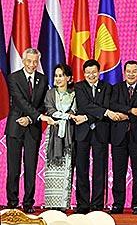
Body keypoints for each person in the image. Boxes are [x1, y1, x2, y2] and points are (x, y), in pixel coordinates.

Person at [74, 59, 126, 213]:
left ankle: (97, 204)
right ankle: (83, 204)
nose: (91, 75)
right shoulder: (78, 87)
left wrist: (91, 116)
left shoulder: (107, 87)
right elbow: (85, 106)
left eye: (94, 72)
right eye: (88, 72)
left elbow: (105, 106)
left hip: (101, 132)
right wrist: (104, 113)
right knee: (82, 169)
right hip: (82, 132)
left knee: (99, 169)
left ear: (99, 72)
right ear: (84, 73)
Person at [5, 48, 48, 213]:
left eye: (35, 61)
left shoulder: (43, 79)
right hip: (15, 128)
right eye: (29, 61)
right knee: (13, 168)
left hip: (32, 128)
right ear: (23, 61)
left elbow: (44, 103)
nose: (32, 65)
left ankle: (28, 203)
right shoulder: (13, 78)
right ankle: (12, 202)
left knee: (31, 168)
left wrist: (31, 119)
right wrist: (37, 116)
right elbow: (20, 101)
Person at [42, 64, 86, 211]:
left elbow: (76, 111)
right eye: (56, 75)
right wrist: (66, 115)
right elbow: (50, 110)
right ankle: (51, 203)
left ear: (68, 78)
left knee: (67, 167)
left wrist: (70, 116)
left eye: (61, 75)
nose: (58, 78)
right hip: (54, 133)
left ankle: (63, 204)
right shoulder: (50, 93)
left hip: (69, 134)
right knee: (53, 169)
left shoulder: (75, 94)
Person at [109, 61, 137, 215]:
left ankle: (136, 204)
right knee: (118, 172)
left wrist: (129, 112)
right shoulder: (116, 88)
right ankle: (118, 204)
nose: (131, 74)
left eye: (134, 71)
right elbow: (112, 104)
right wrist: (131, 110)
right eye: (128, 71)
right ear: (124, 72)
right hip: (119, 137)